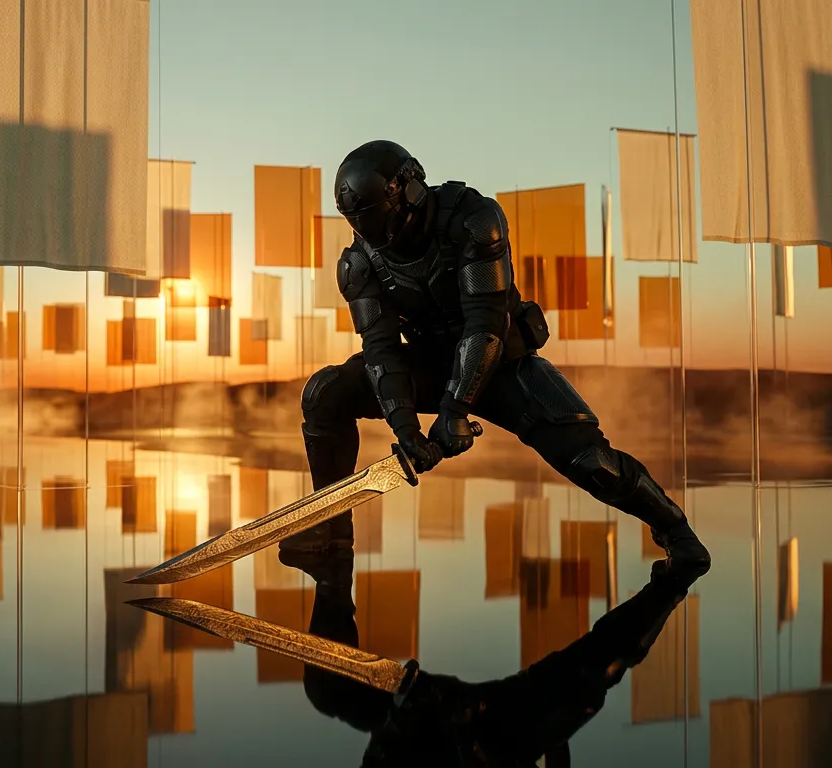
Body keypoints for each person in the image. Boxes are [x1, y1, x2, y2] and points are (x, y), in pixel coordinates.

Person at [286, 139, 709, 582]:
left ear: (406, 190)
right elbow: (380, 349)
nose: (369, 232)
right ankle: (329, 532)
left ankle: (675, 530)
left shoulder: (472, 220)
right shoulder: (360, 263)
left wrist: (453, 412)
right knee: (326, 393)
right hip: (432, 365)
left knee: (591, 462)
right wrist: (405, 428)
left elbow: (485, 324)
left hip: (502, 365)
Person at [292, 546, 697, 766]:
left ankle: (333, 569)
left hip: (425, 722)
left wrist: (405, 715)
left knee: (328, 688)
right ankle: (673, 583)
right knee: (591, 678)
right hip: (487, 740)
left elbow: (385, 755)